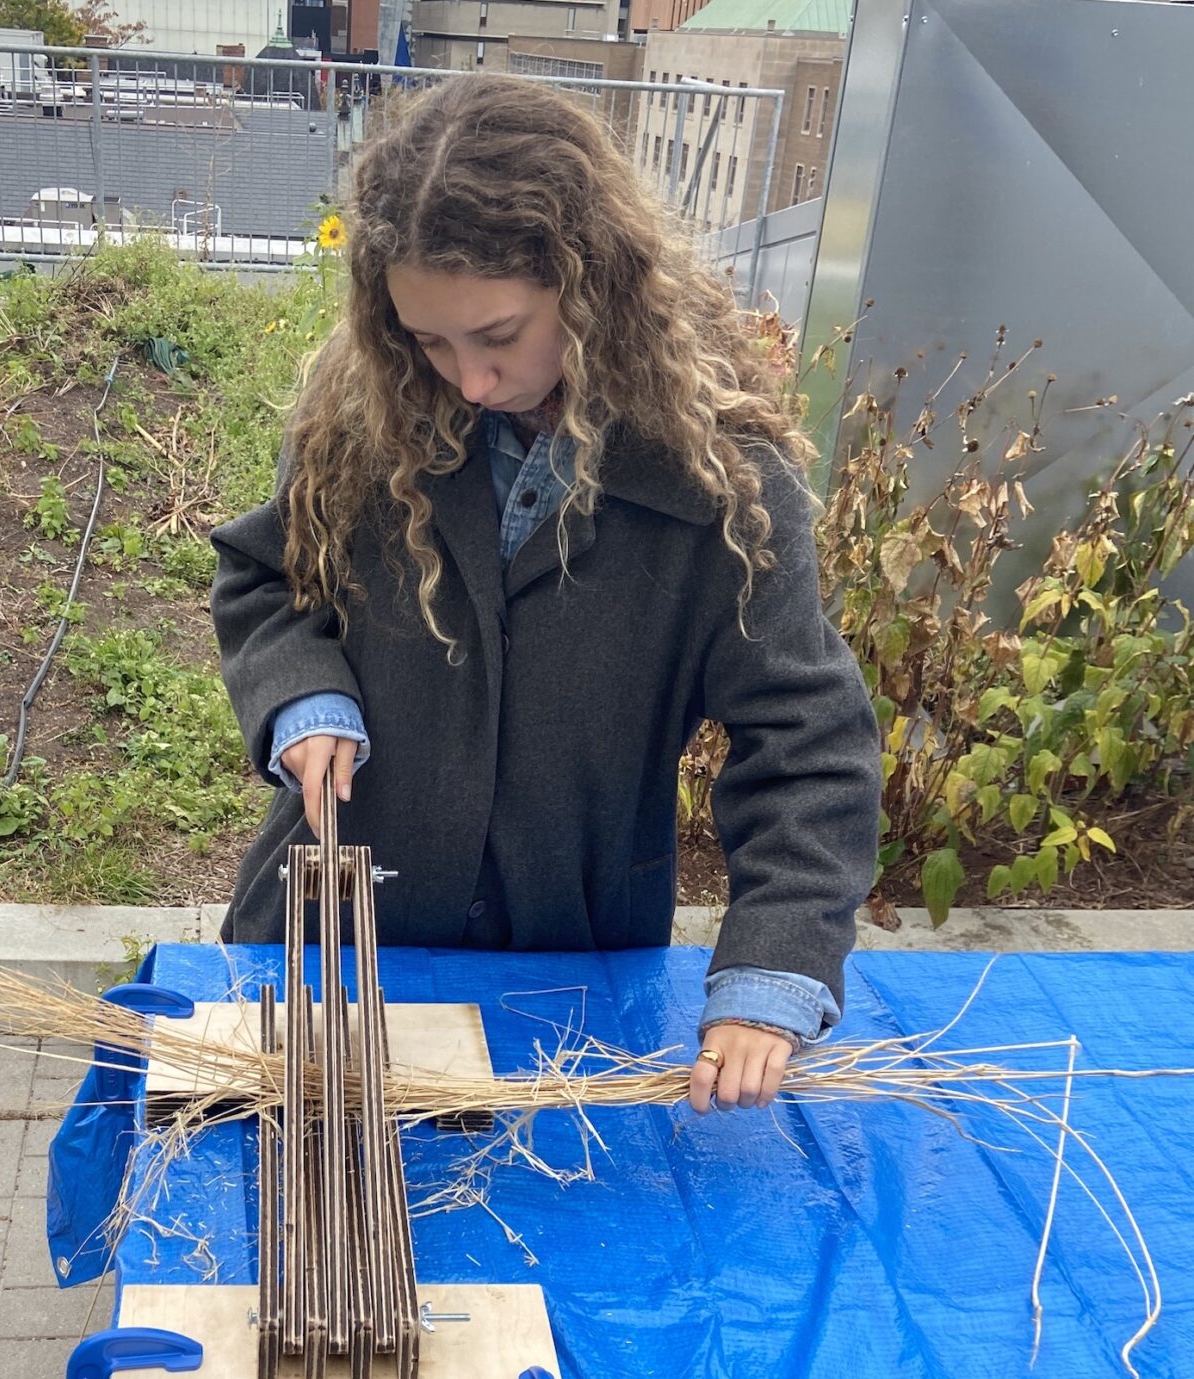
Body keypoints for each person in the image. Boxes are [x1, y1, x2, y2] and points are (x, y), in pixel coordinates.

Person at [209, 73, 881, 1116]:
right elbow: (268, 578)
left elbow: (807, 742)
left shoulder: (723, 482)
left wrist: (769, 975)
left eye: (499, 336)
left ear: (591, 282)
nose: (466, 381)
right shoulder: (365, 416)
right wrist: (303, 693)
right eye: (430, 341)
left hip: (569, 977)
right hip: (338, 941)